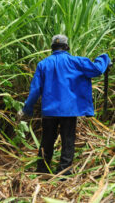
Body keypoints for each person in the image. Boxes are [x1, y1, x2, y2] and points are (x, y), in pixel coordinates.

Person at [21, 35, 111, 175]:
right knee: (68, 140)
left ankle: (42, 169)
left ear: (52, 48)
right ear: (67, 47)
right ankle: (64, 172)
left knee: (47, 140)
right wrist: (104, 58)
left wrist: (27, 109)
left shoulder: (43, 64)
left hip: (49, 111)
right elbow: (97, 69)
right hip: (69, 110)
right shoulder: (76, 62)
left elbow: (35, 90)